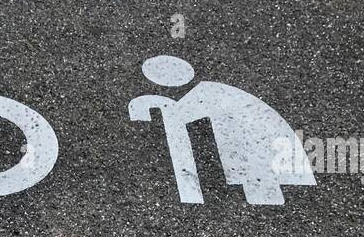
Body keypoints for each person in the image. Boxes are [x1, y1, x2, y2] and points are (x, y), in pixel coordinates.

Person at [131, 55, 315, 205]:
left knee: (260, 182)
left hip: (260, 155)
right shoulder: (208, 93)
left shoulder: (205, 94)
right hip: (259, 154)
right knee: (260, 186)